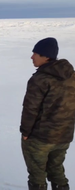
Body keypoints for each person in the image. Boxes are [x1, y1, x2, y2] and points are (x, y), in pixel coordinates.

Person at [20, 37, 75, 190]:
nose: (32, 57)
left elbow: (30, 109)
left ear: (46, 56)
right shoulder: (71, 76)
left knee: (37, 176)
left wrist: (25, 132)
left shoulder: (40, 79)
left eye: (35, 53)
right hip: (63, 137)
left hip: (41, 138)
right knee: (57, 171)